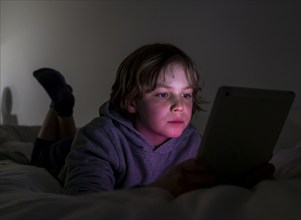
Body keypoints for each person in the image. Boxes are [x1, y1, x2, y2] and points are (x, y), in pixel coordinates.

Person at [31, 43, 274, 197]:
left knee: (73, 139)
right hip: (61, 155)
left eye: (186, 94)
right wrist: (160, 190)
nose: (180, 106)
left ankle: (64, 106)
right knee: (43, 154)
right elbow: (85, 205)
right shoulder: (99, 138)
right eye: (162, 94)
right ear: (131, 101)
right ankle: (59, 108)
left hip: (85, 143)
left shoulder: (194, 143)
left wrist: (238, 181)